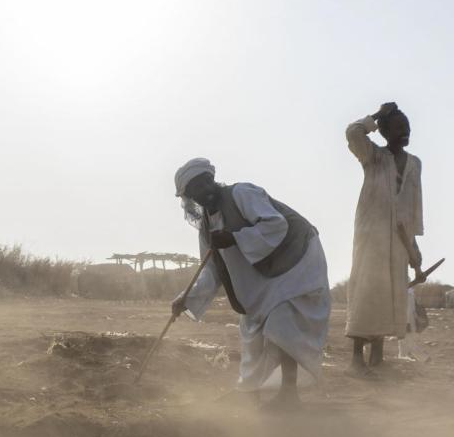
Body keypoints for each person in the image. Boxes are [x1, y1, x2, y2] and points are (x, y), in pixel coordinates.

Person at [171, 158, 331, 409]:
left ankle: (290, 394)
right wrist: (186, 298)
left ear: (211, 179)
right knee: (252, 331)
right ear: (189, 197)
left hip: (297, 260)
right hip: (265, 276)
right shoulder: (206, 226)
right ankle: (249, 391)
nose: (202, 193)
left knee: (282, 321)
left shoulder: (242, 193)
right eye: (194, 192)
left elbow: (275, 224)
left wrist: (234, 238)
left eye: (203, 184)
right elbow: (211, 269)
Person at [345, 102, 424, 373]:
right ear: (384, 132)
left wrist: (414, 250)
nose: (405, 131)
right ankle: (356, 357)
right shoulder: (372, 156)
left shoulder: (415, 164)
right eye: (399, 127)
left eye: (407, 127)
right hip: (371, 234)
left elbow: (414, 207)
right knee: (367, 291)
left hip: (399, 237)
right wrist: (377, 115)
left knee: (390, 293)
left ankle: (378, 356)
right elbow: (353, 133)